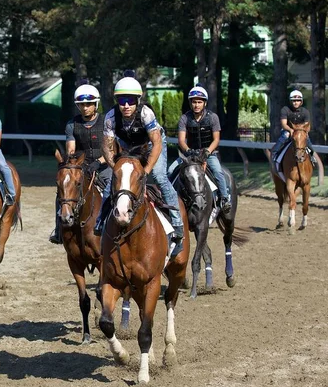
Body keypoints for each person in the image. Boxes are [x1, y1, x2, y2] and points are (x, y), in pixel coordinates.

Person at [95, 71, 184, 255]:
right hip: (129, 146)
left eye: (130, 100)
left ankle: (177, 222)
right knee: (114, 181)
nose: (126, 105)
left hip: (152, 144)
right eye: (121, 101)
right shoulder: (111, 117)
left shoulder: (146, 113)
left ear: (138, 100)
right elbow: (107, 148)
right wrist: (116, 169)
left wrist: (146, 169)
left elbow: (157, 143)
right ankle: (101, 221)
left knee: (159, 177)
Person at [49, 83, 111, 244]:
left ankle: (113, 227)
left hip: (105, 165)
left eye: (89, 104)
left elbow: (111, 149)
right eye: (82, 105)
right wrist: (72, 163)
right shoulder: (71, 125)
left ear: (95, 104)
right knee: (63, 192)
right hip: (81, 166)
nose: (85, 108)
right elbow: (71, 149)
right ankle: (59, 230)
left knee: (115, 191)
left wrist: (99, 162)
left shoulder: (106, 122)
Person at [177, 84, 231, 214]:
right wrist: (189, 151)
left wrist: (207, 152)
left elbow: (216, 139)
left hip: (209, 153)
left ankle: (224, 198)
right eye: (194, 102)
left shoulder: (213, 117)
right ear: (190, 103)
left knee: (218, 172)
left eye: (199, 102)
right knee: (170, 171)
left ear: (204, 103)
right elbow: (181, 140)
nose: (196, 105)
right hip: (190, 154)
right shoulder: (184, 118)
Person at [271, 89, 315, 166]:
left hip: (301, 131)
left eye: (298, 100)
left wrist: (303, 131)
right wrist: (291, 130)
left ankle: (312, 155)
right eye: (294, 100)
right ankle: (274, 154)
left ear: (301, 102)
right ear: (290, 101)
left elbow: (307, 125)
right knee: (285, 136)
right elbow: (284, 124)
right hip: (288, 130)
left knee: (306, 138)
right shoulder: (285, 109)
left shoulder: (305, 112)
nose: (296, 102)